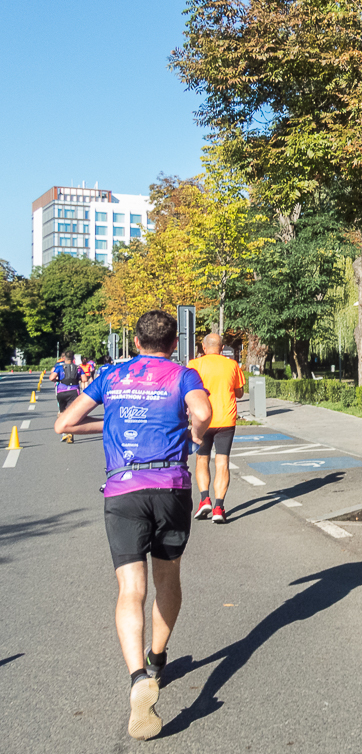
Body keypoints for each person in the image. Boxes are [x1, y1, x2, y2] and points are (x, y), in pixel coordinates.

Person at [55, 310, 212, 741]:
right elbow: (203, 410)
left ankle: (138, 676)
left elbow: (63, 423)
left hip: (122, 489)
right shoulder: (183, 375)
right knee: (169, 580)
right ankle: (158, 658)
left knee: (130, 590)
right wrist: (195, 433)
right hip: (171, 488)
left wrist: (106, 423)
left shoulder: (112, 376)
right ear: (174, 343)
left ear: (137, 343)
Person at [188, 332, 246, 524]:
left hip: (202, 420)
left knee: (201, 459)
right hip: (226, 420)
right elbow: (239, 393)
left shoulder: (194, 365)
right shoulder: (232, 365)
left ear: (203, 348)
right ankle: (219, 507)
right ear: (222, 349)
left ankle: (204, 498)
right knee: (222, 462)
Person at [51, 350, 82, 443]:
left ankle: (64, 432)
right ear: (73, 358)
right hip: (74, 391)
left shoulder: (59, 366)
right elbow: (84, 379)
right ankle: (70, 433)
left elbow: (51, 376)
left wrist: (57, 380)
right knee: (71, 413)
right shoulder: (78, 368)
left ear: (64, 358)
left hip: (61, 391)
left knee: (62, 412)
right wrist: (78, 378)